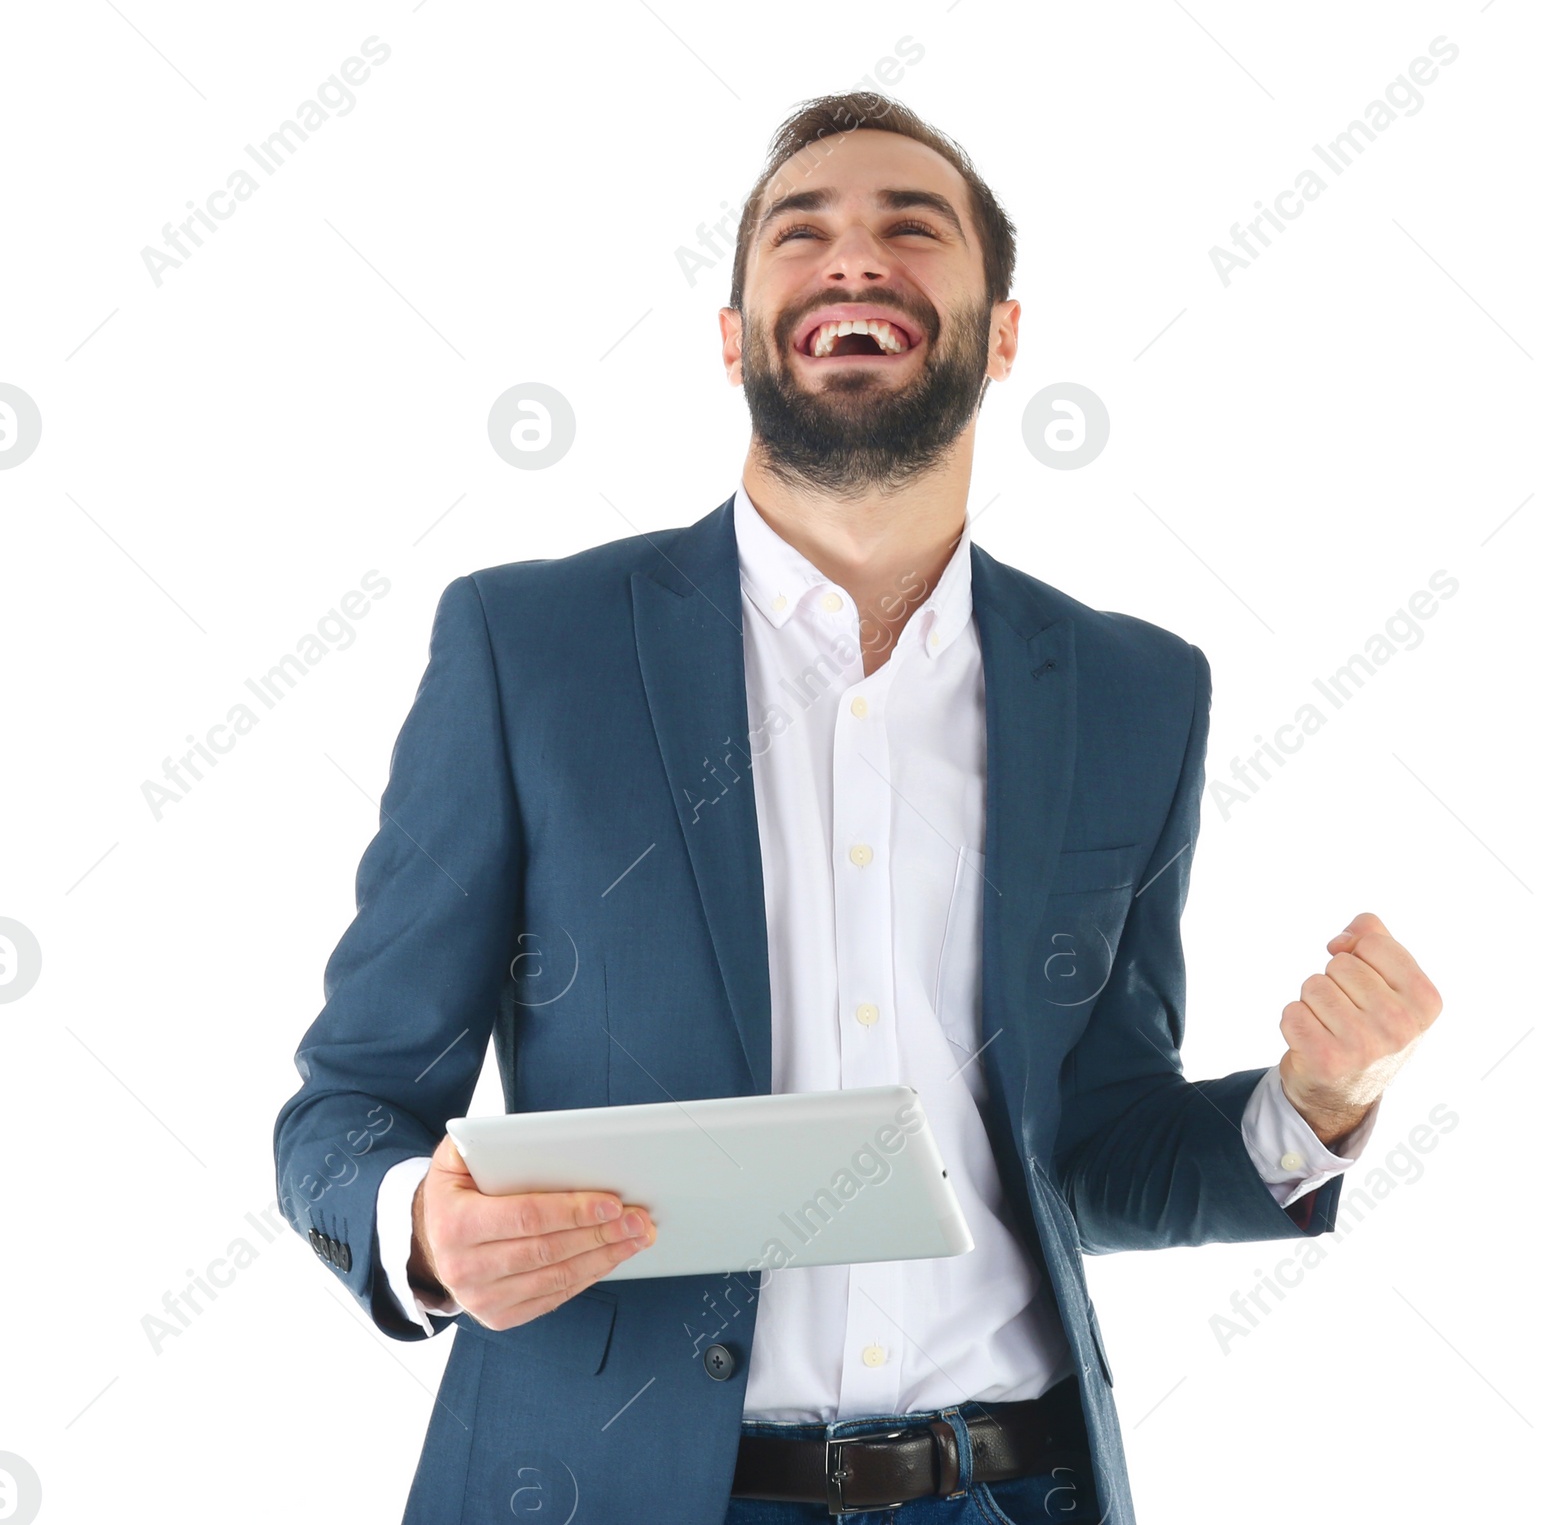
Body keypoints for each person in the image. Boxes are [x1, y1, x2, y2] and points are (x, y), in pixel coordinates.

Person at [273, 93, 1442, 1524]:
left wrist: (1314, 1106)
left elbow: (1088, 1148)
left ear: (1003, 333)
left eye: (912, 228)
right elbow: (350, 1104)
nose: (853, 258)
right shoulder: (533, 650)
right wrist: (425, 1231)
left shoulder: (1139, 693)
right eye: (802, 232)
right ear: (731, 336)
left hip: (1010, 1490)